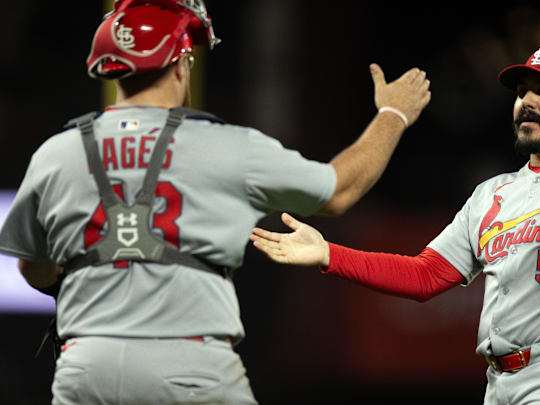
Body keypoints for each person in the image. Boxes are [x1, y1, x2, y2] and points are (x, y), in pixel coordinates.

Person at [0, 1, 430, 404]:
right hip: (189, 366)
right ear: (182, 63)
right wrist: (393, 114)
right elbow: (340, 191)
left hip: (86, 366)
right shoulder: (228, 147)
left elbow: (32, 267)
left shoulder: (56, 154)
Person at [250, 45, 540, 404]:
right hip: (499, 385)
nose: (527, 100)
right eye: (522, 90)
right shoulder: (492, 193)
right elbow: (426, 275)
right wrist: (330, 253)